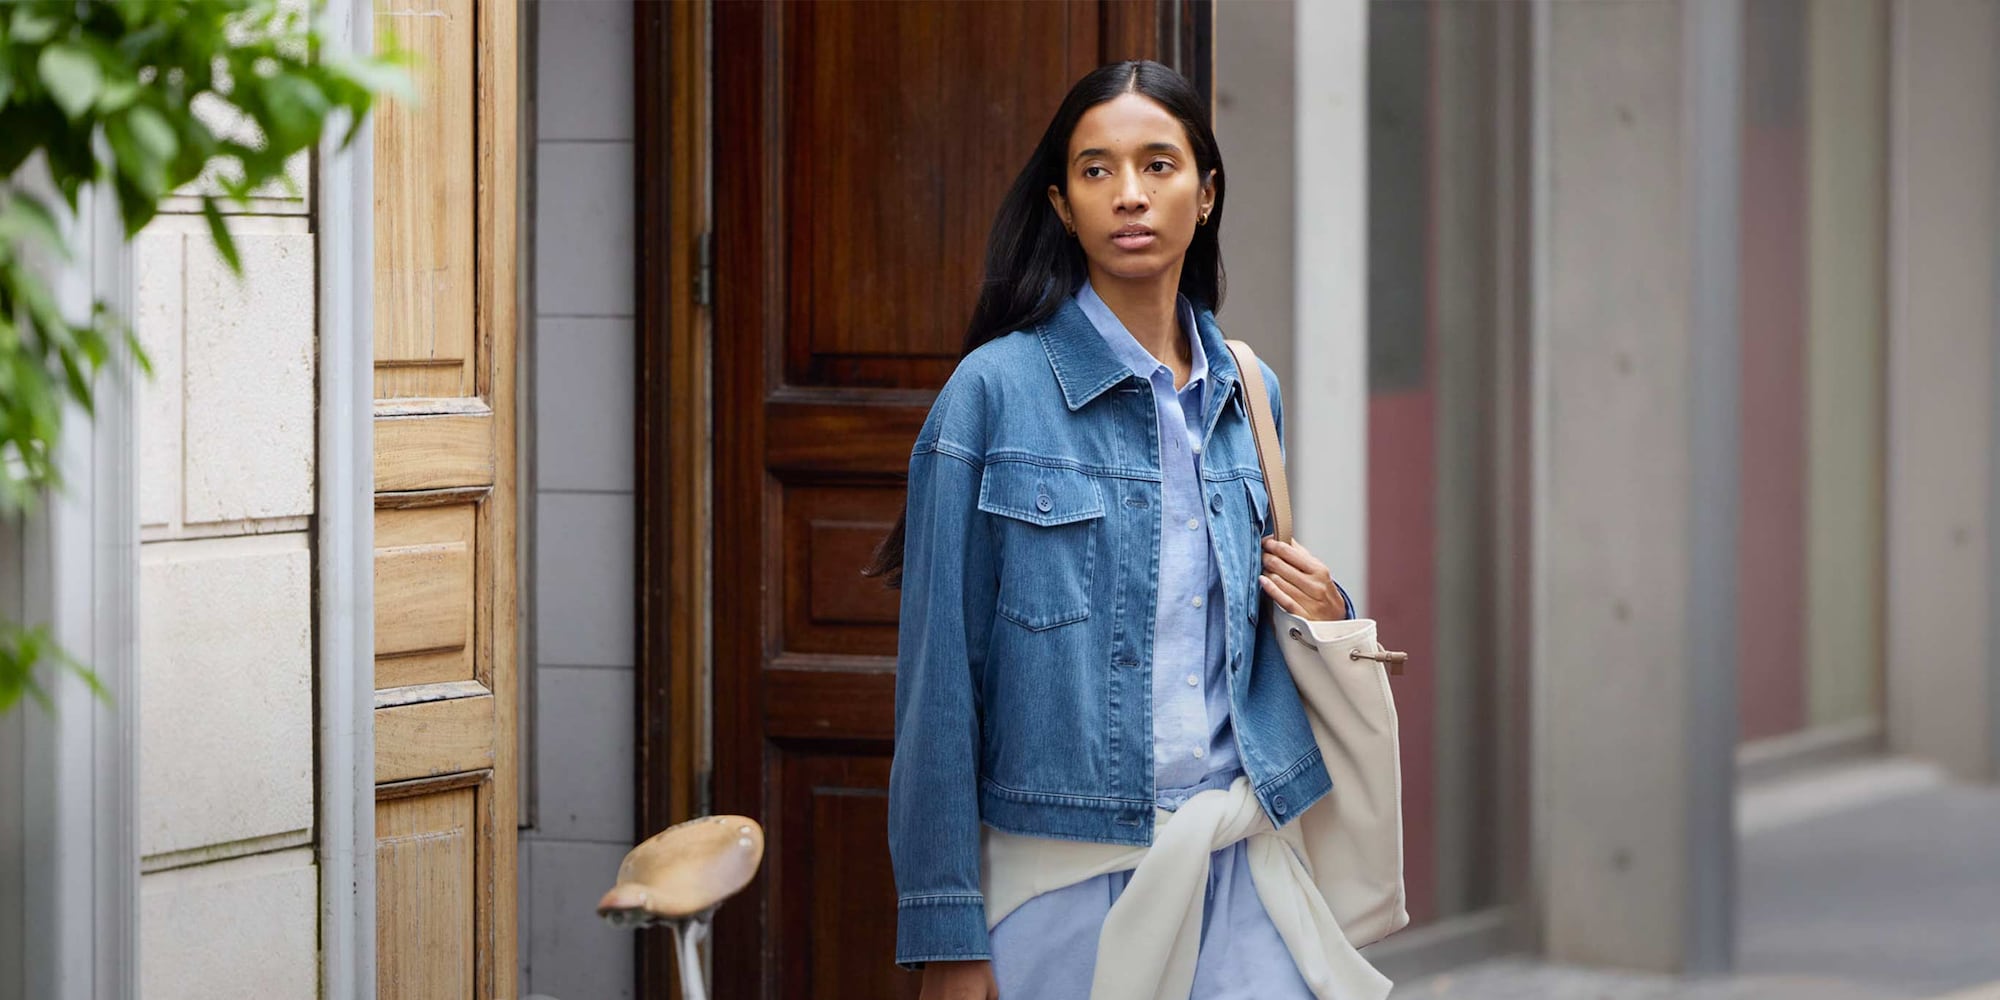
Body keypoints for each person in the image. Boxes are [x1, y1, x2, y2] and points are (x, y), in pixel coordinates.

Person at [869, 60, 1356, 1000]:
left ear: (1206, 194)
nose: (1129, 195)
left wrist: (1331, 606)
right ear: (1060, 203)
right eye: (1096, 170)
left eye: (1158, 165)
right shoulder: (991, 397)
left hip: (1238, 858)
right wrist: (946, 935)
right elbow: (936, 690)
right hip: (1059, 877)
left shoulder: (1250, 394)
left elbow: (1247, 634)